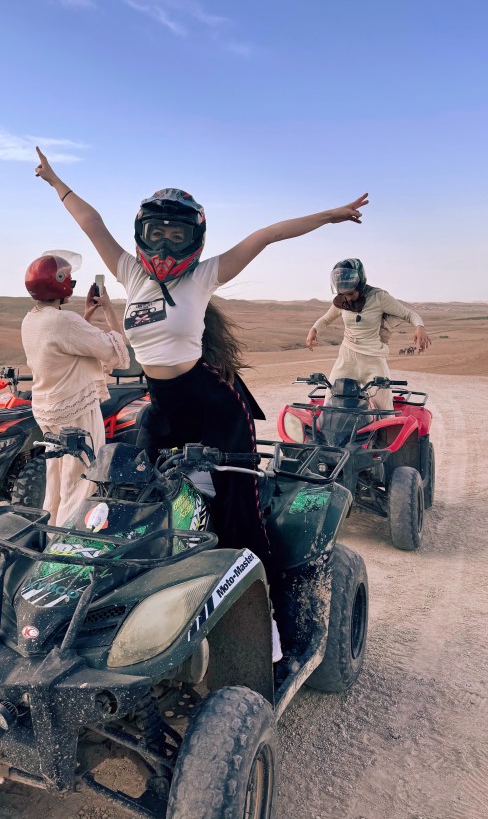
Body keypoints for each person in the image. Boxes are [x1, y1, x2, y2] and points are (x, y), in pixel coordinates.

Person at [33, 149, 367, 627]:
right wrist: (54, 180)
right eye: (157, 234)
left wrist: (330, 215)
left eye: (178, 235)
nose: (166, 246)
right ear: (142, 234)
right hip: (162, 408)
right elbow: (91, 222)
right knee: (132, 499)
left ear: (195, 238)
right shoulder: (131, 272)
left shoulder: (204, 275)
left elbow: (267, 235)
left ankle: (268, 618)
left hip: (216, 408)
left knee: (238, 510)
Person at [21, 251, 130, 526]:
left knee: (56, 480)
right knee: (81, 481)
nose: (71, 283)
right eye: (69, 279)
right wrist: (108, 308)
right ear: (58, 283)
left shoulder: (31, 319)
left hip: (48, 411)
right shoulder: (64, 321)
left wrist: (86, 316)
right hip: (75, 411)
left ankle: (50, 533)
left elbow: (67, 344)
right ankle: (69, 540)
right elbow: (115, 349)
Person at [306, 258, 431, 410]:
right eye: (343, 294)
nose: (347, 298)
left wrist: (420, 327)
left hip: (373, 360)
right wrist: (314, 330)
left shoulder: (378, 297)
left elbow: (409, 314)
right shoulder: (341, 301)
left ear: (360, 284)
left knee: (384, 409)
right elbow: (326, 319)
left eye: (351, 293)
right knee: (330, 402)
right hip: (347, 358)